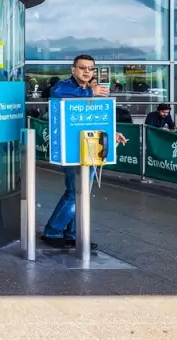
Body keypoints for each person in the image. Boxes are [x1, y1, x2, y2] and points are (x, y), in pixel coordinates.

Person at [41, 54, 127, 251]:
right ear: (73, 70)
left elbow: (94, 117)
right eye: (82, 68)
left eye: (90, 68)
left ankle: (73, 234)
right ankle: (52, 231)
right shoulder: (67, 87)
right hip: (72, 148)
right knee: (74, 192)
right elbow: (57, 93)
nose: (87, 71)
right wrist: (91, 93)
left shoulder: (88, 90)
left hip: (90, 147)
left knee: (82, 193)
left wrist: (112, 132)